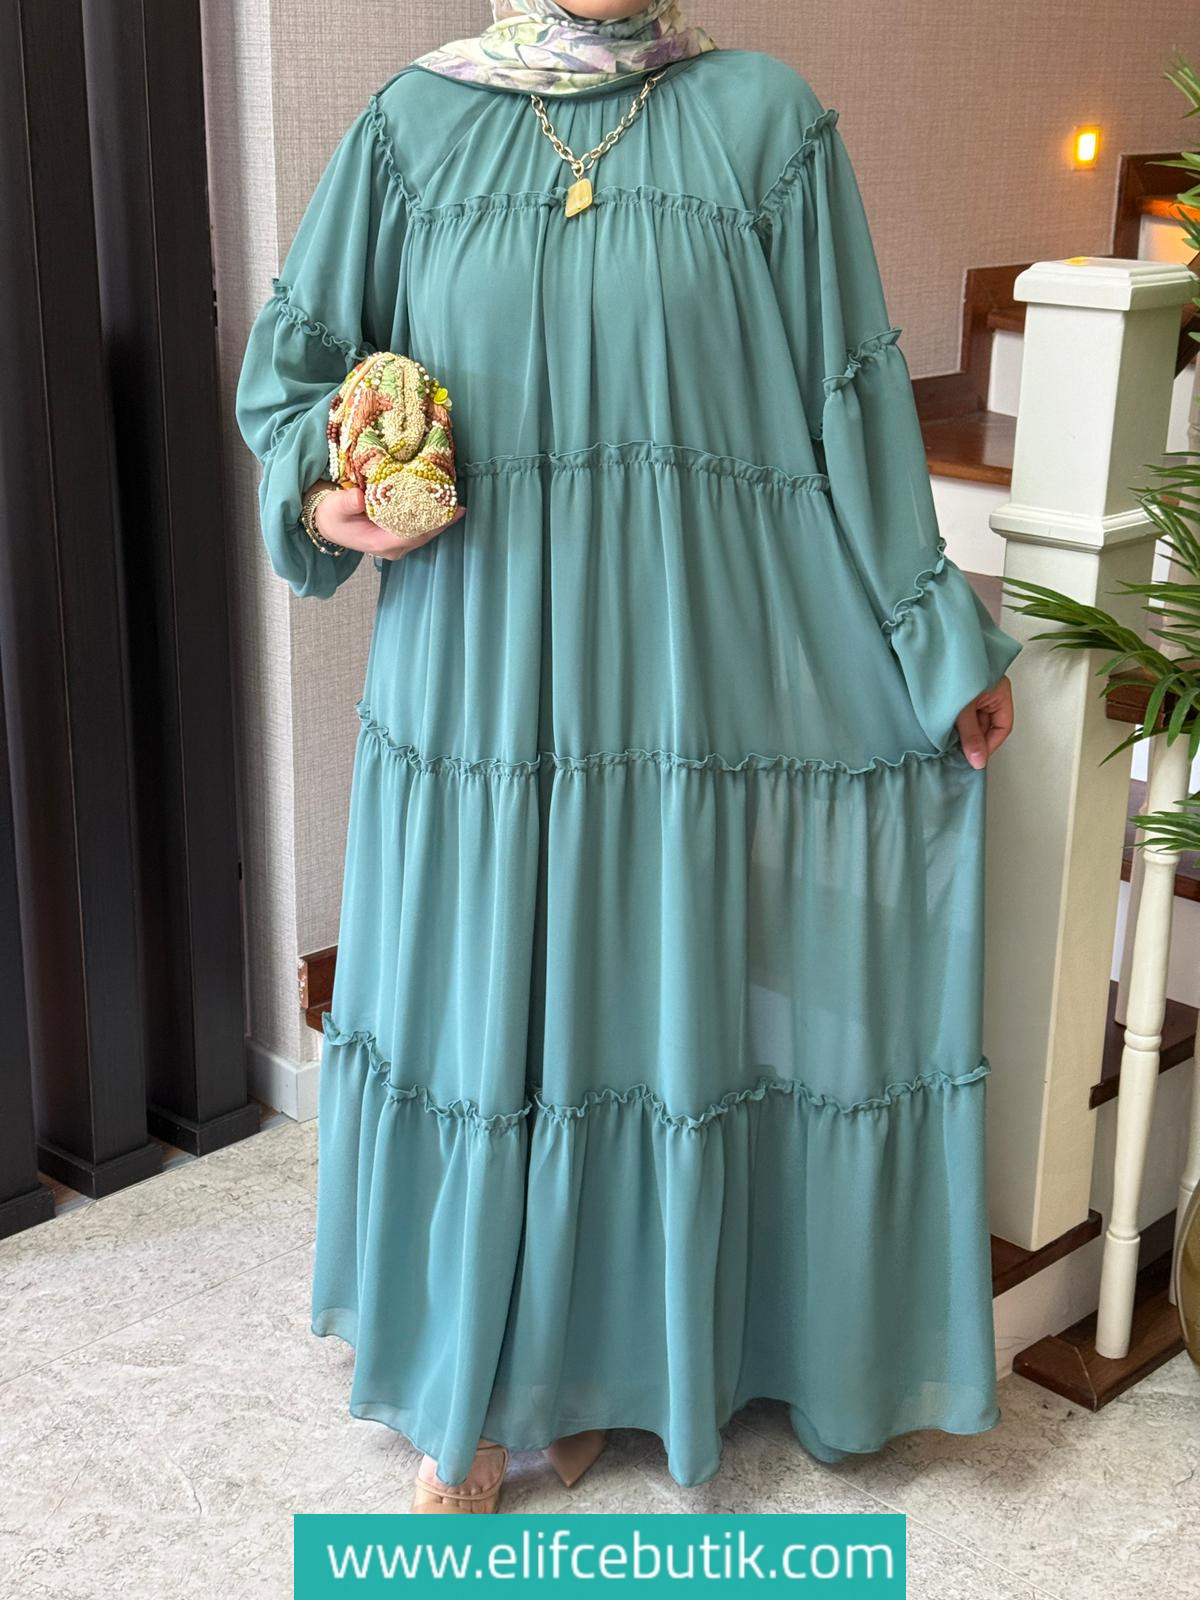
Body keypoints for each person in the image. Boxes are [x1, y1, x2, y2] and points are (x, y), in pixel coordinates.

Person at [234, 0, 1019, 1515]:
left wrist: (936, 642)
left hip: (673, 680)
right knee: (480, 1009)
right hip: (472, 679)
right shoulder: (413, 127)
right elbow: (289, 379)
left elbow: (851, 398)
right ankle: (478, 1379)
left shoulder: (765, 123)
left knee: (630, 1008)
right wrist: (331, 493)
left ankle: (596, 1369)